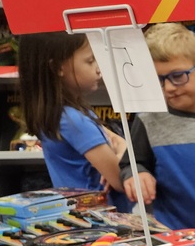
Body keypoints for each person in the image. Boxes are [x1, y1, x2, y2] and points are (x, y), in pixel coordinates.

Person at [116, 23, 195, 239]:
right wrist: (136, 173)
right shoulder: (148, 121)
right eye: (158, 80)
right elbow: (130, 163)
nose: (169, 87)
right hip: (174, 240)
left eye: (178, 76)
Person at [18, 32, 126, 195]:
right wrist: (123, 151)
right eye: (90, 61)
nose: (98, 69)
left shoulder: (63, 114)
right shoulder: (73, 121)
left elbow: (116, 140)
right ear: (58, 67)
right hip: (101, 215)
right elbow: (122, 179)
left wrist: (121, 149)